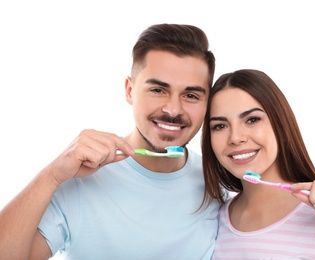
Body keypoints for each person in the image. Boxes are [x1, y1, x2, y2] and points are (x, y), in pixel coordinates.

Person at [0, 24, 220, 259]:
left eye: (191, 95)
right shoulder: (81, 180)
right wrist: (52, 176)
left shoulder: (217, 185)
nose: (173, 109)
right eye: (158, 90)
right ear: (129, 90)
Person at [201, 69, 315, 259]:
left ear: (280, 123)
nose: (235, 138)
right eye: (220, 126)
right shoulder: (214, 220)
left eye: (252, 119)